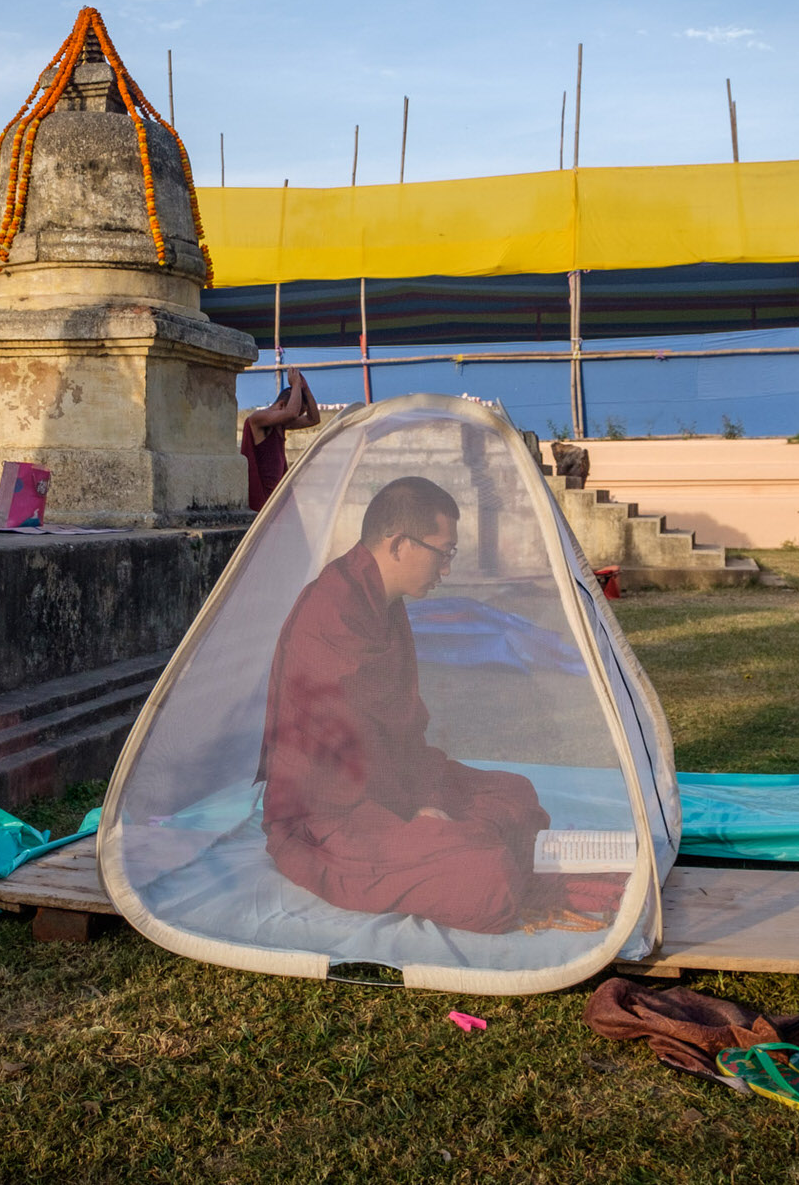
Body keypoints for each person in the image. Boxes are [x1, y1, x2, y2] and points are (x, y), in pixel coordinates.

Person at [258, 476, 622, 934]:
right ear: (398, 545)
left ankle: (466, 837)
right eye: (444, 552)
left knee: (515, 791)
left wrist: (429, 798)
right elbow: (344, 754)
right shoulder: (333, 609)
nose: (447, 568)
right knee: (486, 876)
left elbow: (402, 726)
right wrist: (419, 811)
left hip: (394, 782)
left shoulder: (381, 601)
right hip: (330, 815)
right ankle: (474, 844)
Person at [241, 369, 320, 510]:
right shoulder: (257, 419)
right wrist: (295, 384)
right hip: (261, 503)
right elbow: (291, 414)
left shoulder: (280, 425)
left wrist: (306, 389)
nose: (295, 418)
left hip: (275, 502)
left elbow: (313, 419)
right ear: (282, 405)